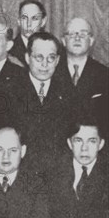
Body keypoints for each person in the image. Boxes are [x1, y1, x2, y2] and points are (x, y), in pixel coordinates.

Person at [9, 32, 75, 173]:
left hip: (57, 175)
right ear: (27, 58)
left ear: (57, 60)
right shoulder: (9, 92)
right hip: (20, 175)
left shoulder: (68, 93)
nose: (44, 64)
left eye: (51, 58)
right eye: (39, 57)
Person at [56, 17, 108, 105]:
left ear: (91, 41)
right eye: (71, 34)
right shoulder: (51, 72)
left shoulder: (104, 75)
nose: (77, 38)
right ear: (64, 41)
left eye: (83, 34)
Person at [9, 0, 47, 68]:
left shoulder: (53, 49)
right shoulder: (8, 51)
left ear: (43, 22)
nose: (29, 24)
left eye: (34, 18)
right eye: (24, 18)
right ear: (19, 21)